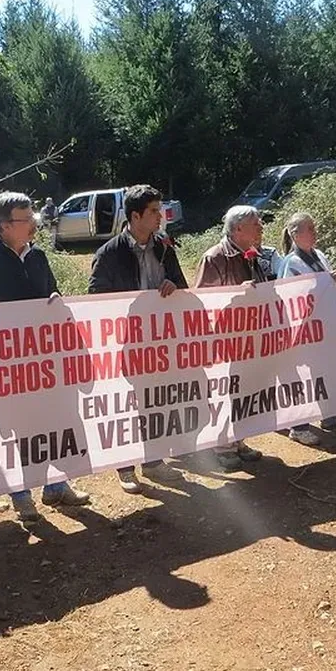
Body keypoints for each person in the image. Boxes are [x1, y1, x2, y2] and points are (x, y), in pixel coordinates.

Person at [0, 192, 91, 522]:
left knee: (52, 424)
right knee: (18, 432)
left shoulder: (38, 258)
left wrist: (55, 301)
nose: (35, 222)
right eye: (26, 218)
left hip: (46, 364)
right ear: (5, 226)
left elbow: (54, 295)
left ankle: (55, 486)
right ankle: (21, 496)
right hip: (9, 369)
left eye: (33, 215)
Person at [89, 184, 188, 493]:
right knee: (128, 405)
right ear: (135, 216)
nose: (161, 217)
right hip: (125, 343)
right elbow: (95, 297)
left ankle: (153, 461)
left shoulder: (164, 247)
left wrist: (173, 285)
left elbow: (183, 287)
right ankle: (125, 467)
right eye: (154, 212)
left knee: (155, 400)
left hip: (159, 344)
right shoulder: (109, 253)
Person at [194, 205, 270, 470]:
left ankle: (238, 440)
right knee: (224, 392)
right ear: (238, 229)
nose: (260, 227)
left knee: (244, 389)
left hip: (248, 338)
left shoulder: (252, 255)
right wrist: (236, 292)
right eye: (255, 223)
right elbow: (202, 299)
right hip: (223, 339)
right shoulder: (214, 257)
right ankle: (220, 445)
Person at [277, 212, 336, 446]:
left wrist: (331, 280)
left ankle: (328, 415)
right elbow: (291, 296)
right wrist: (322, 283)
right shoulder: (291, 262)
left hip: (323, 327)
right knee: (303, 378)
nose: (314, 232)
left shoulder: (319, 255)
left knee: (325, 370)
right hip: (303, 330)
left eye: (314, 228)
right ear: (295, 235)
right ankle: (298, 426)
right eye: (310, 228)